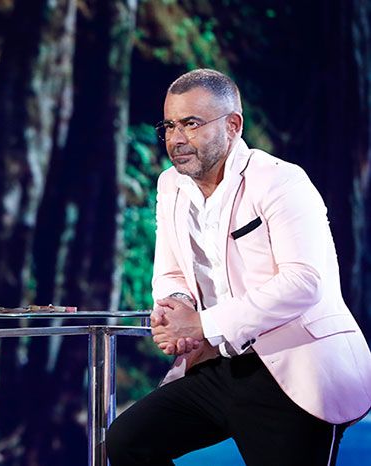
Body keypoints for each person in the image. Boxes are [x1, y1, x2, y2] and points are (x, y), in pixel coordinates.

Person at [106, 69, 371, 465]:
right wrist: (177, 308)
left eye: (191, 124)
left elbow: (304, 281)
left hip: (296, 366)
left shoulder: (281, 181)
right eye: (170, 126)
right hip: (221, 364)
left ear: (232, 125)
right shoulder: (170, 184)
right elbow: (171, 271)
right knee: (128, 441)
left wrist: (202, 324)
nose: (176, 139)